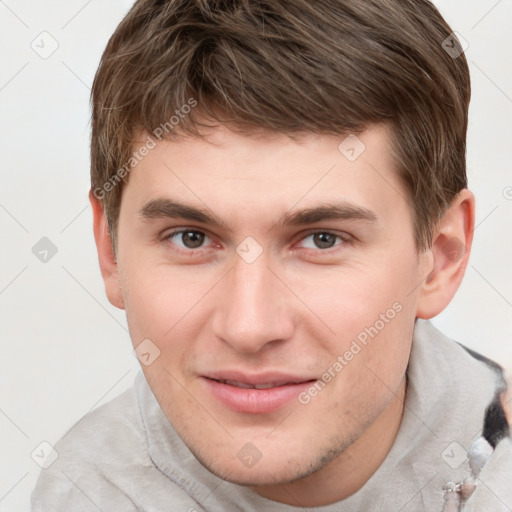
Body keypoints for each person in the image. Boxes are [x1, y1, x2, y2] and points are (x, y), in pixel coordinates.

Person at [31, 0, 512, 510]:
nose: (249, 327)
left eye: (323, 239)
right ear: (110, 250)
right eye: (190, 238)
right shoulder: (83, 492)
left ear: (439, 258)